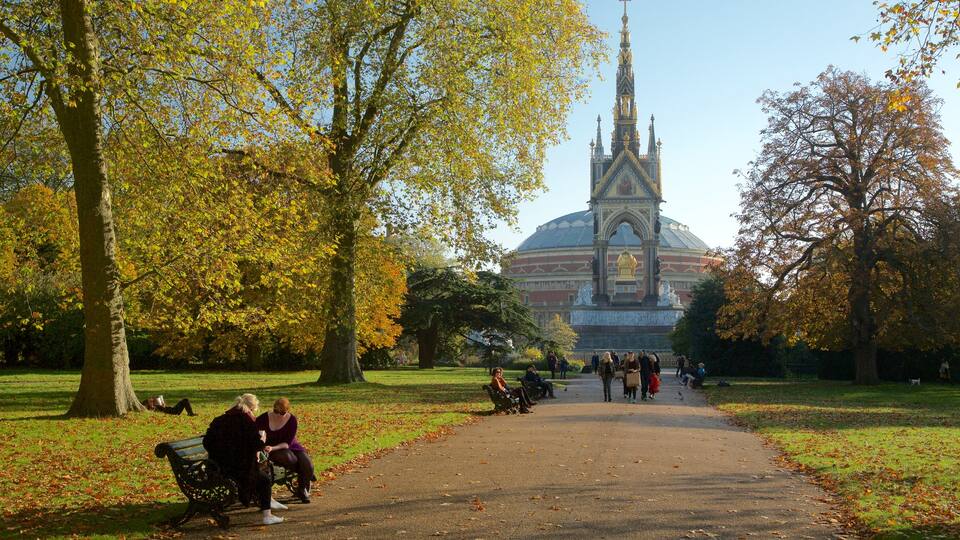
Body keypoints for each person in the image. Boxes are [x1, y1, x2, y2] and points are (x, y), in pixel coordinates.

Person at [203, 394, 286, 525]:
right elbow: (257, 445)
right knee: (264, 479)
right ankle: (267, 515)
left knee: (262, 471)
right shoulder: (247, 422)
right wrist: (262, 439)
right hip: (237, 468)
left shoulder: (219, 420)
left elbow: (206, 442)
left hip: (217, 466)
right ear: (251, 409)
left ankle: (268, 500)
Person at [256, 398, 315, 503]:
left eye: (282, 412)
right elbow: (256, 431)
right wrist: (265, 444)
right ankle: (306, 474)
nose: (278, 415)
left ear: (287, 411)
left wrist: (273, 447)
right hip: (270, 448)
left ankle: (303, 488)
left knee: (308, 464)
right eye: (276, 411)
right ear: (273, 408)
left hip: (288, 445)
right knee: (290, 459)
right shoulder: (264, 418)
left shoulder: (292, 420)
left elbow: (287, 443)